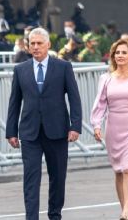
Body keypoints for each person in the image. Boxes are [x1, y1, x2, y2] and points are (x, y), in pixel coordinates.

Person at [6, 27, 82, 220]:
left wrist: (75, 126)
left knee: (57, 177)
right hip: (30, 132)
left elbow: (74, 98)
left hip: (57, 130)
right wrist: (11, 131)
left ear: (48, 45)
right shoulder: (20, 69)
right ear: (27, 46)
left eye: (40, 43)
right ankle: (31, 217)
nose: (36, 47)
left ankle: (54, 214)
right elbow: (14, 102)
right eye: (32, 43)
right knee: (31, 178)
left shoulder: (63, 67)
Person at [90, 39, 128, 220]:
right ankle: (124, 208)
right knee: (118, 170)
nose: (120, 56)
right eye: (117, 53)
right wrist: (97, 125)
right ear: (113, 57)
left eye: (124, 53)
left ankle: (127, 210)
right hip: (114, 128)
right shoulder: (106, 78)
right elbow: (99, 104)